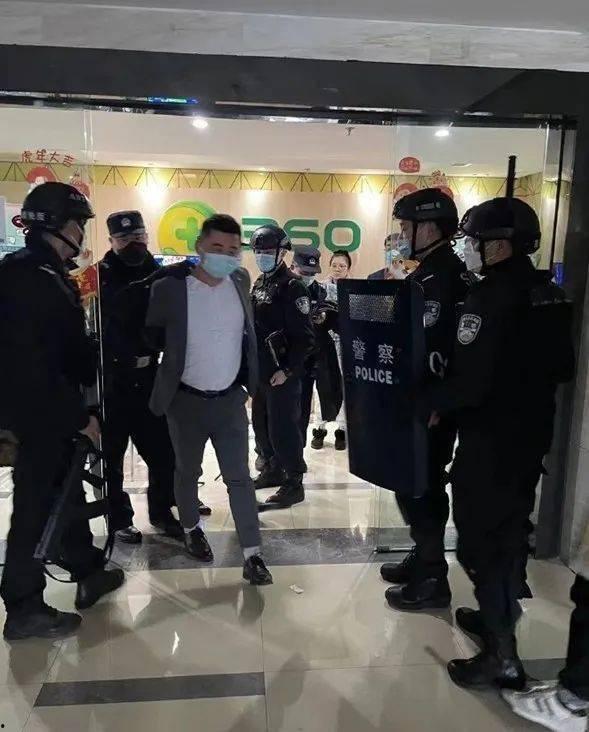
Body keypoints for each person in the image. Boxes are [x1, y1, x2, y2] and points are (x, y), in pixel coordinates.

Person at [424, 197, 574, 690]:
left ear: (500, 245)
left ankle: (502, 656)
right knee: (509, 531)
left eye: (475, 241)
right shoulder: (549, 293)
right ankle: (496, 618)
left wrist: (437, 404)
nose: (469, 248)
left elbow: (471, 380)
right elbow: (563, 368)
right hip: (529, 439)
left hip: (489, 440)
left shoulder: (487, 298)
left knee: (478, 539)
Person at [0, 182, 124, 640]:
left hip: (46, 408)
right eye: (77, 223)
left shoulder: (40, 271)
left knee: (65, 493)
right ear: (55, 224)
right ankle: (23, 606)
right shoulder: (31, 277)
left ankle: (87, 568)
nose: (80, 233)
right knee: (35, 507)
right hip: (42, 413)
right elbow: (35, 365)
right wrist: (78, 417)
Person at [146, 214, 272, 584]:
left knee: (240, 478)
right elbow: (151, 334)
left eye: (233, 249)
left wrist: (249, 384)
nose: (225, 255)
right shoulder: (171, 288)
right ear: (199, 246)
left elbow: (245, 335)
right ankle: (191, 529)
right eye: (217, 247)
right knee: (187, 471)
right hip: (185, 400)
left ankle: (252, 554)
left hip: (229, 401)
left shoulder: (240, 280)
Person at [382, 188, 470, 611]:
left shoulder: (442, 278)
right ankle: (424, 555)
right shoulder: (430, 273)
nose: (402, 236)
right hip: (422, 401)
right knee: (416, 482)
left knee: (421, 486)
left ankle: (434, 576)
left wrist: (434, 403)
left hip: (431, 406)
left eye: (406, 227)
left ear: (430, 228)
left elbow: (440, 347)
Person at [99, 211, 200, 546]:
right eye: (124, 239)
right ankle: (119, 520)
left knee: (163, 452)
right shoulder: (101, 274)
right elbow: (117, 305)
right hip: (112, 379)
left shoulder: (154, 269)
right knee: (111, 458)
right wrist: (156, 280)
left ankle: (161, 511)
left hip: (149, 376)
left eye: (138, 236)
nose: (133, 244)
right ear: (111, 241)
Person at [251, 225, 315, 509]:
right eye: (258, 251)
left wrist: (287, 370)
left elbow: (306, 338)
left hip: (283, 373)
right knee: (262, 424)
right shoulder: (260, 283)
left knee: (283, 428)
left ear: (281, 253)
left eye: (267, 251)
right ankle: (273, 469)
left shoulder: (293, 286)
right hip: (262, 371)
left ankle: (293, 481)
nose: (262, 256)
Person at [291, 246, 342, 450]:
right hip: (290, 362)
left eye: (312, 273)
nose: (308, 277)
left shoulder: (322, 292)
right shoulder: (284, 290)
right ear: (293, 266)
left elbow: (337, 324)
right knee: (290, 413)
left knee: (312, 407)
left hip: (317, 357)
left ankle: (296, 457)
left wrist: (326, 317)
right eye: (304, 272)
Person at [312, 249, 351, 450]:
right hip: (324, 346)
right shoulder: (319, 288)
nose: (338, 269)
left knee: (345, 386)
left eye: (342, 266)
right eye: (335, 265)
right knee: (322, 385)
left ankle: (341, 430)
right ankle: (319, 428)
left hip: (346, 345)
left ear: (348, 269)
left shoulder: (353, 290)